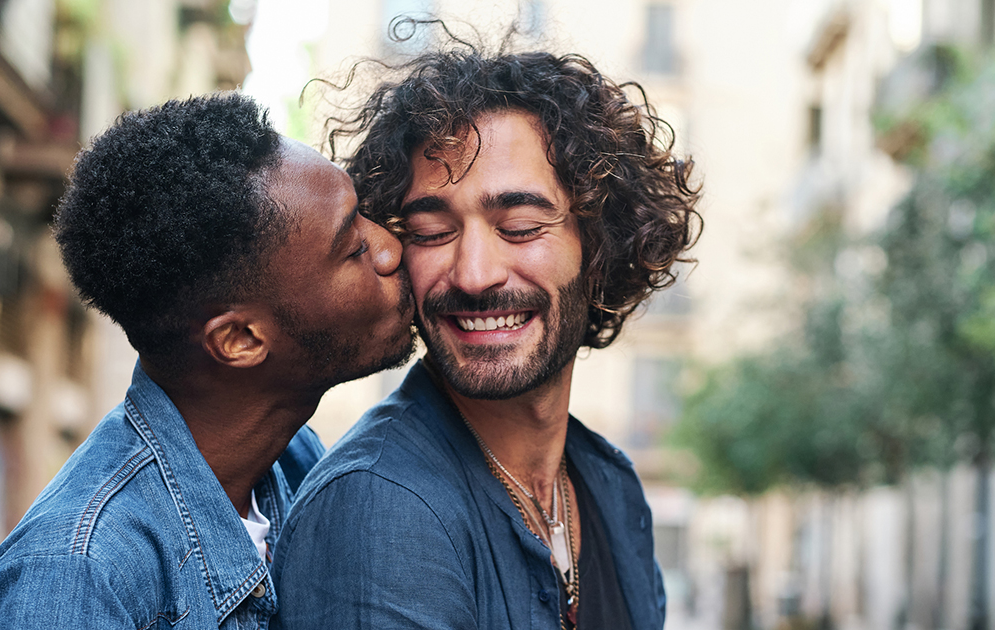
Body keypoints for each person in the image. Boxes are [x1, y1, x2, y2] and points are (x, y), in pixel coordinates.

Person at [271, 43, 701, 630]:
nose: (474, 274)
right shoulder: (378, 505)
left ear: (599, 249)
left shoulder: (610, 485)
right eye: (432, 231)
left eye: (519, 228)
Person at [0, 92, 415, 629]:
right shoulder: (75, 579)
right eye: (354, 247)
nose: (391, 247)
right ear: (240, 340)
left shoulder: (295, 464)